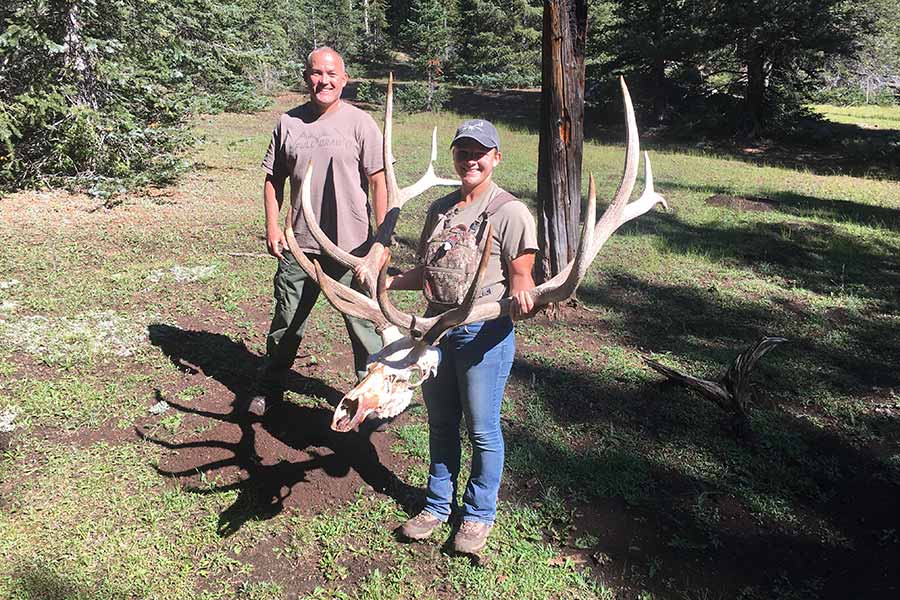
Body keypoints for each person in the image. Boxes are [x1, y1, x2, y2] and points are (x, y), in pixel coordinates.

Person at [387, 119, 537, 554]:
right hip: (434, 331)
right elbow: (430, 273)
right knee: (441, 423)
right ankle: (436, 506)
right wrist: (389, 281)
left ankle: (476, 516)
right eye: (463, 151)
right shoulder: (440, 209)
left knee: (483, 429)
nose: (470, 159)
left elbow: (522, 279)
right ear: (454, 156)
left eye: (479, 152)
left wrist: (523, 297)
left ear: (496, 157)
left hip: (482, 333)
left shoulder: (509, 211)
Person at [256, 46, 386, 417]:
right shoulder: (289, 123)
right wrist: (271, 225)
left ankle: (370, 398)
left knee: (365, 328)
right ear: (306, 77)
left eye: (331, 74)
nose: (323, 81)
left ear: (344, 79)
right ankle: (271, 387)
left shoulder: (361, 124)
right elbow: (272, 179)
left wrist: (380, 242)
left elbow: (379, 184)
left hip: (352, 250)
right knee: (286, 323)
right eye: (316, 73)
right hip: (301, 249)